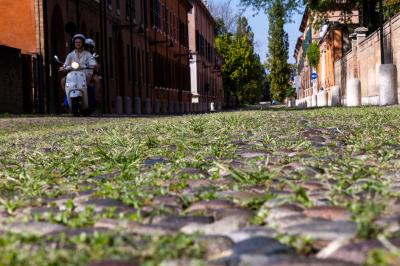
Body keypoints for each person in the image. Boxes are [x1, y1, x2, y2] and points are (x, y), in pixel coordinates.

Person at [84, 38, 102, 111]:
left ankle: (96, 97)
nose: (88, 48)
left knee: (97, 80)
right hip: (81, 73)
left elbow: (98, 65)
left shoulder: (94, 55)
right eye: (86, 47)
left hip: (92, 73)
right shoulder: (81, 54)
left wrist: (95, 65)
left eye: (89, 47)